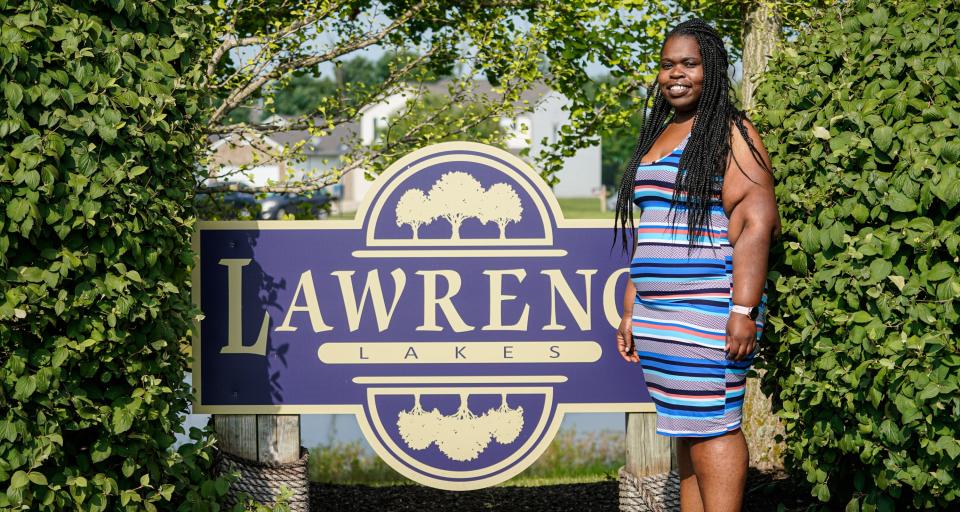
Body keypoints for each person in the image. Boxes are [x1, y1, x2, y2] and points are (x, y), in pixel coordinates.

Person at [612, 18, 781, 512]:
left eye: (689, 63)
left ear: (713, 70)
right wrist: (630, 307)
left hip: (708, 308)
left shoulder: (731, 132)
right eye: (667, 65)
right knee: (687, 430)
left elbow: (756, 221)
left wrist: (744, 310)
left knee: (713, 427)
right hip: (657, 317)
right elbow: (652, 227)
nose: (675, 74)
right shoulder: (661, 133)